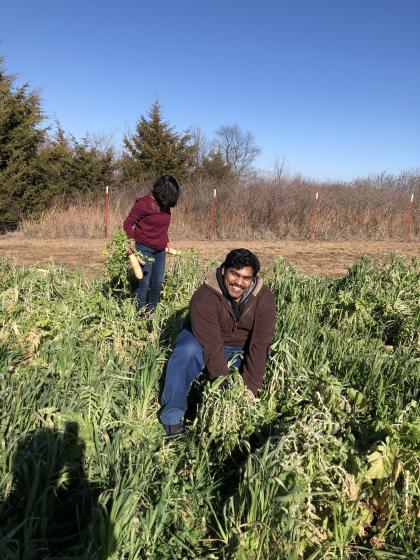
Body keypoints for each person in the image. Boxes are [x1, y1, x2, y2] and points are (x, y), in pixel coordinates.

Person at [160, 248, 276, 436]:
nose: (239, 283)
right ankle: (172, 417)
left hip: (240, 348)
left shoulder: (265, 299)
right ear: (223, 270)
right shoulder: (203, 298)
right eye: (235, 274)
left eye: (246, 278)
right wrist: (224, 390)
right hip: (204, 342)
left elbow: (259, 344)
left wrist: (250, 390)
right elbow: (212, 347)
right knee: (185, 352)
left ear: (253, 279)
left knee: (260, 366)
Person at [123, 175, 180, 317]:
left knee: (157, 282)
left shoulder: (165, 205)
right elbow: (128, 223)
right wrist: (131, 239)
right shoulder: (144, 203)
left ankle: (152, 312)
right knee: (144, 282)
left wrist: (166, 241)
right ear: (163, 192)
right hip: (144, 248)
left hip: (160, 251)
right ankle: (140, 314)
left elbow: (162, 228)